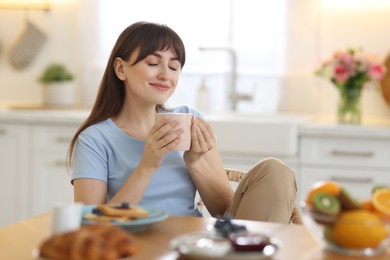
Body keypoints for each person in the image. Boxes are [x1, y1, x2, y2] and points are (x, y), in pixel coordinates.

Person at [67, 21, 298, 224]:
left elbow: (226, 212)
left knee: (275, 171)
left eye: (174, 66)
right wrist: (147, 165)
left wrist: (195, 162)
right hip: (135, 246)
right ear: (120, 68)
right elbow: (92, 225)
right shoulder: (94, 139)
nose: (165, 75)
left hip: (193, 244)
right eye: (152, 63)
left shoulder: (190, 120)